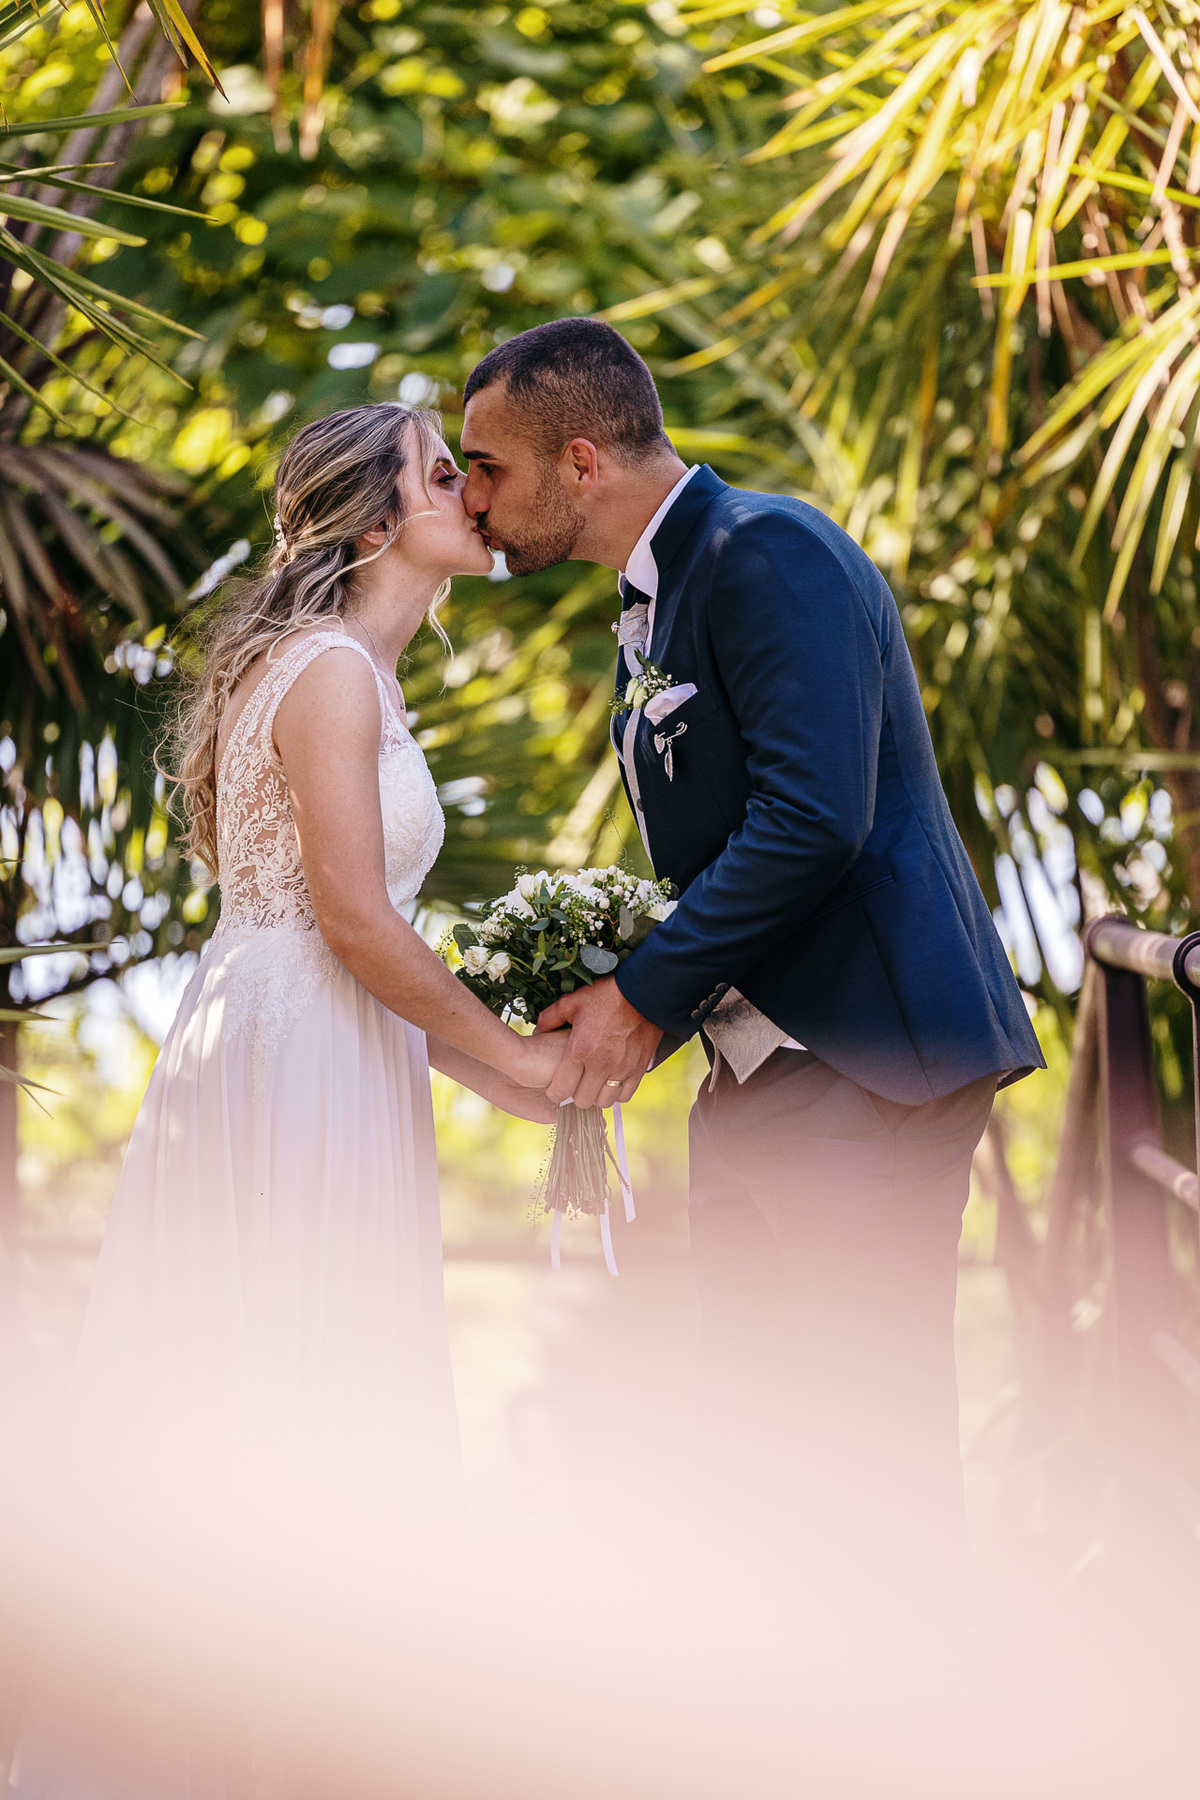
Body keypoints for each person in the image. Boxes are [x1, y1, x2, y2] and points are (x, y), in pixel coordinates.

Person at [11, 402, 568, 1795]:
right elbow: (356, 926)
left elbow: (351, 948)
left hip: (319, 1035)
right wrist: (517, 1058)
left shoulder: (352, 672)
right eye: (444, 472)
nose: (474, 491)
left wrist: (501, 1079)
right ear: (376, 524)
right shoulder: (326, 674)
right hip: (294, 1053)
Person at [459, 319, 1045, 1607]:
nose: (474, 500)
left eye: (488, 467)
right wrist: (628, 1005)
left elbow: (814, 818)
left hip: (868, 1067)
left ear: (579, 458)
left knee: (870, 1453)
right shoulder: (650, 604)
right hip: (753, 1082)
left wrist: (639, 996)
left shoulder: (763, 549)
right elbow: (728, 847)